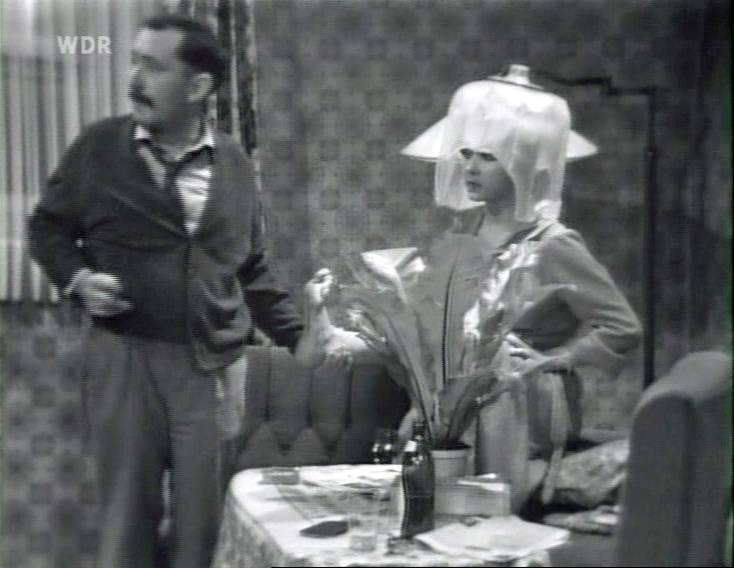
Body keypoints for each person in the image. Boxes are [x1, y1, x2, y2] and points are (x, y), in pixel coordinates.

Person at [27, 14, 331, 568]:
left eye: (153, 66)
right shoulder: (99, 147)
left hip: (213, 367)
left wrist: (295, 335)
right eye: (135, 62)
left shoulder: (235, 164)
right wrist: (79, 279)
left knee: (202, 528)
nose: (135, 79)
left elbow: (251, 267)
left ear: (198, 87)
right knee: (128, 521)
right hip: (124, 358)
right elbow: (46, 227)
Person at [309, 65, 642, 508]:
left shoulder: (554, 244)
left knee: (486, 508)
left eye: (487, 157)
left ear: (523, 163)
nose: (469, 167)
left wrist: (557, 360)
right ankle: (336, 339)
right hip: (460, 391)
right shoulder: (468, 227)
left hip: (517, 404)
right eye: (465, 154)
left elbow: (622, 326)